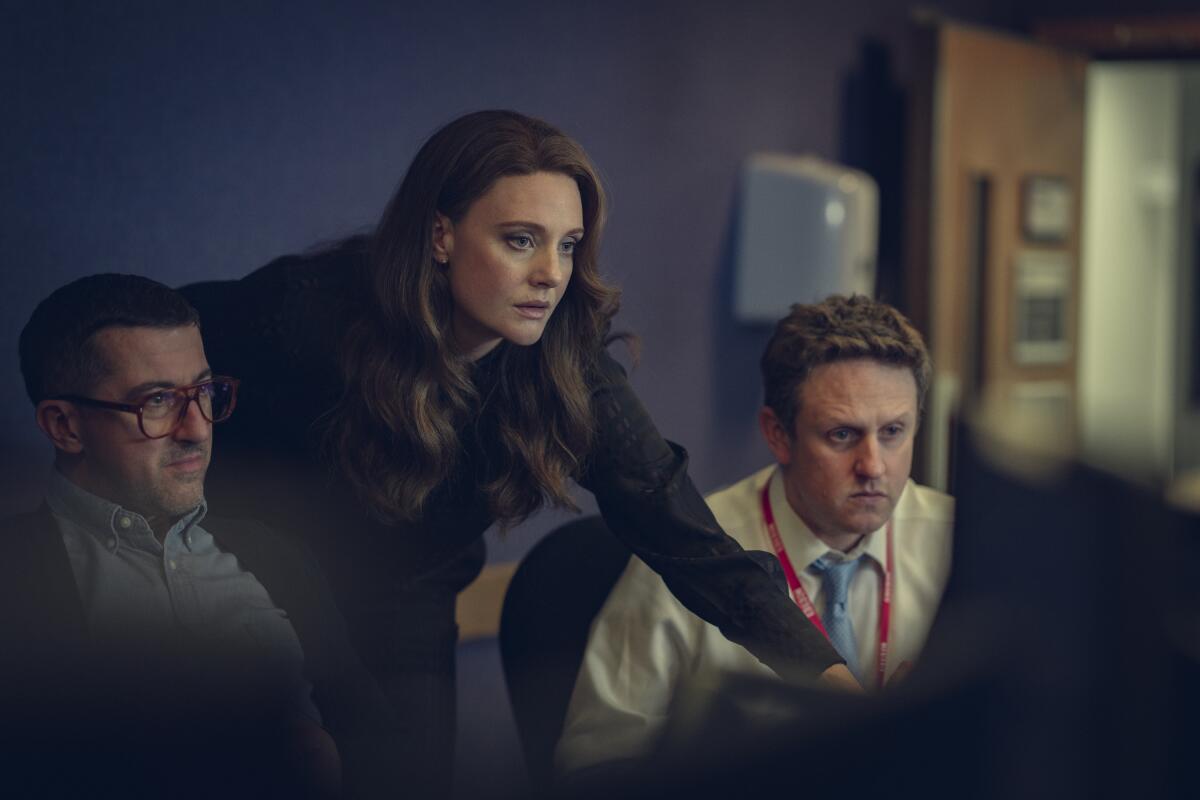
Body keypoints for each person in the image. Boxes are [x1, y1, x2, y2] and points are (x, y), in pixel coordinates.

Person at [180, 109, 854, 795]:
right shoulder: (309, 311)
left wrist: (836, 685)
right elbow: (131, 344)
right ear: (441, 234)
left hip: (404, 597)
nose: (550, 274)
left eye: (567, 246)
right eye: (521, 240)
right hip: (256, 584)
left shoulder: (567, 369)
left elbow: (689, 538)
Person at [2, 274, 398, 798]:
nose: (198, 429)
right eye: (159, 401)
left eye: (205, 391)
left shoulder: (272, 552)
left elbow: (378, 740)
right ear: (65, 427)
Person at [555, 295, 954, 775]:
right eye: (842, 435)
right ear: (777, 434)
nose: (873, 466)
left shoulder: (963, 545)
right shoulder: (684, 556)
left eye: (893, 432)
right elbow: (595, 763)